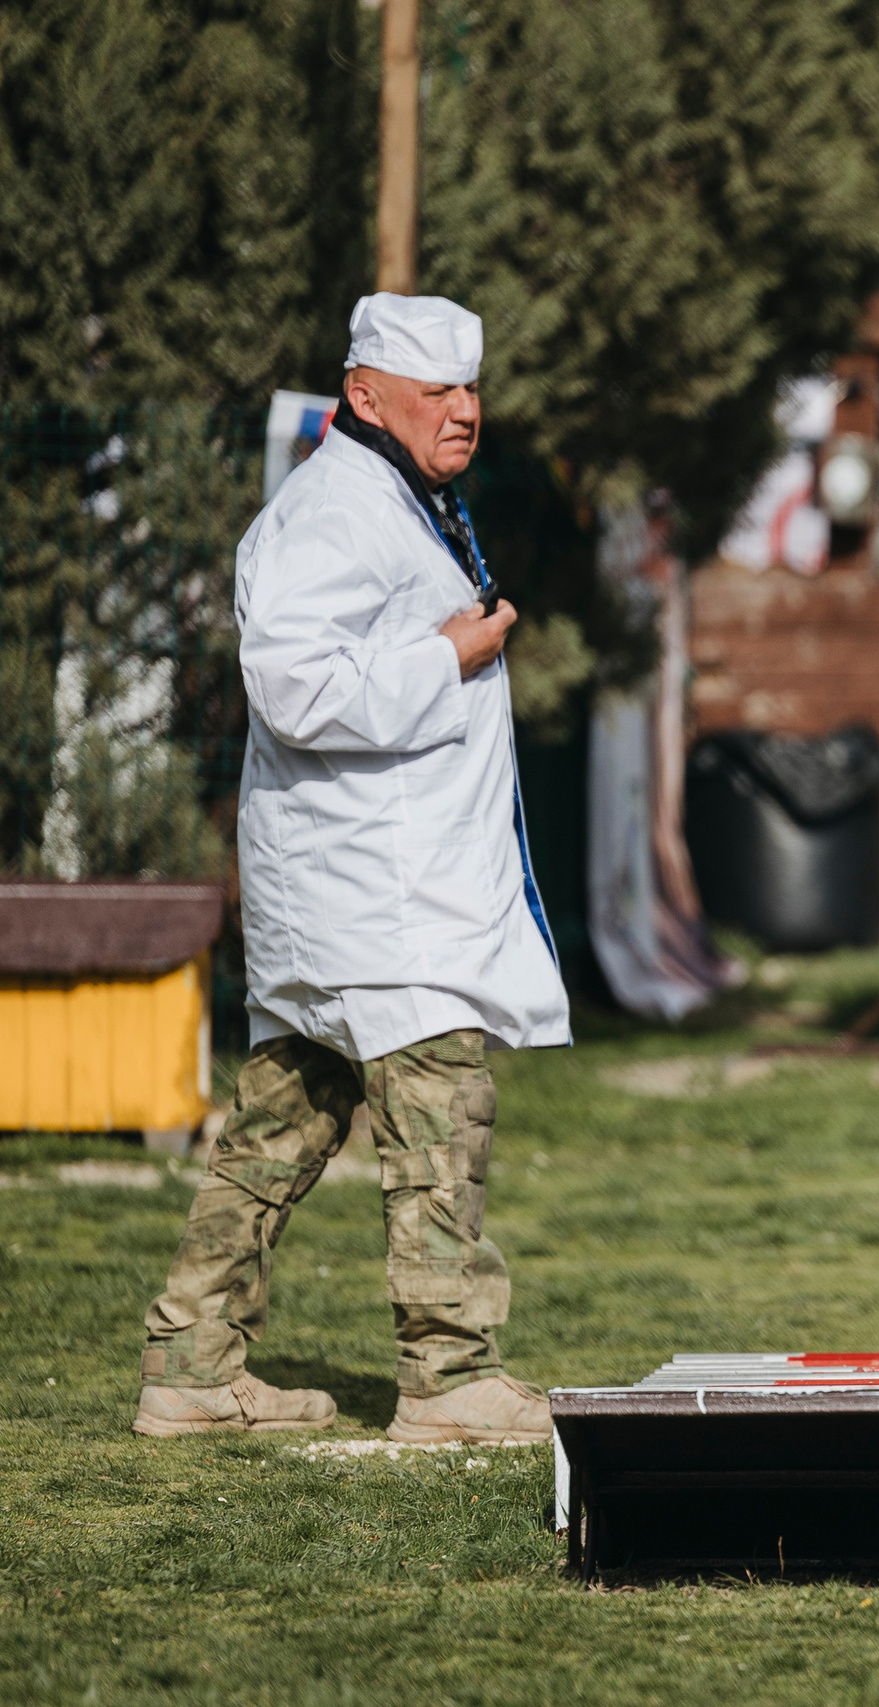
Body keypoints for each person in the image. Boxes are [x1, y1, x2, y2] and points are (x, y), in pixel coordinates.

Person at [134, 294, 569, 1444]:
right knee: (440, 1117)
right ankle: (450, 1379)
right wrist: (448, 654)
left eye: (471, 391)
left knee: (276, 1135)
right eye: (439, 393)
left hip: (375, 889)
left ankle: (190, 1365)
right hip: (374, 897)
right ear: (367, 395)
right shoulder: (331, 511)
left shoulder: (395, 499)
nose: (465, 412)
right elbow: (294, 687)